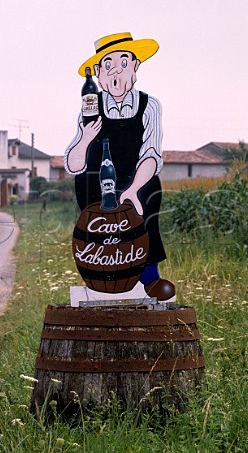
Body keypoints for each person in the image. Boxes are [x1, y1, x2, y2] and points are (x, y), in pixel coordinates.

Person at [64, 32, 175, 301]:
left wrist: (134, 190)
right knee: (103, 232)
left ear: (136, 67)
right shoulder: (90, 107)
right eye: (109, 65)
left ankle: (149, 279)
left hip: (138, 178)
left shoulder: (150, 106)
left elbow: (151, 153)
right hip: (95, 183)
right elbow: (72, 164)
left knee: (144, 222)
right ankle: (102, 283)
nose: (117, 74)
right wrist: (86, 137)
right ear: (99, 75)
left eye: (124, 63)